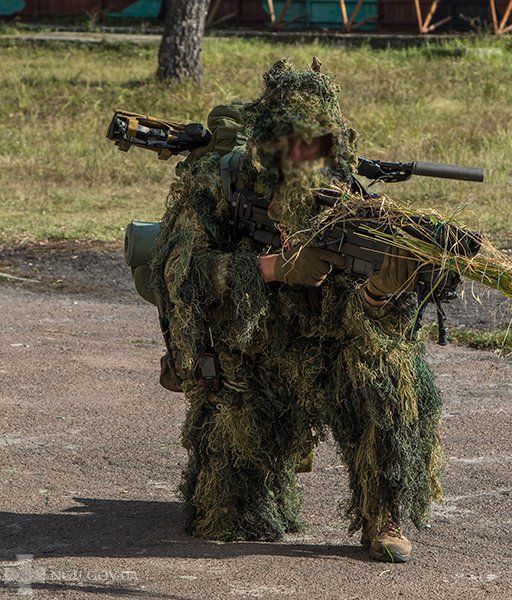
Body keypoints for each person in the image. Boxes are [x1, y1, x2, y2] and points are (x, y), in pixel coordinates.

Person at [150, 58, 444, 563]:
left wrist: (381, 293)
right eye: (291, 145)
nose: (304, 159)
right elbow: (179, 274)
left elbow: (365, 324)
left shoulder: (348, 201)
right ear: (265, 146)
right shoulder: (220, 187)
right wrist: (272, 269)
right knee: (229, 520)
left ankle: (383, 512)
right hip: (248, 361)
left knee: (395, 373)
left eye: (317, 144)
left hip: (324, 356)